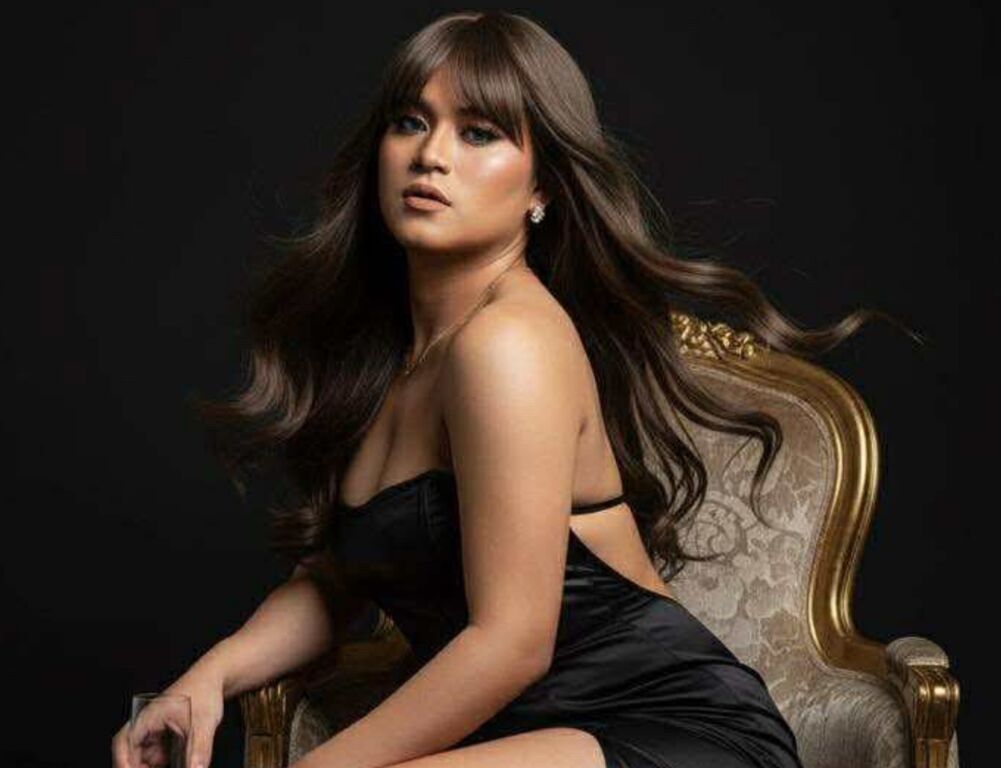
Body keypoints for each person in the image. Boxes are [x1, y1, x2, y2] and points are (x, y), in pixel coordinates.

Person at [113, 10, 920, 768]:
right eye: (410, 122)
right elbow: (334, 583)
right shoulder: (392, 359)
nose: (432, 155)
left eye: (480, 132)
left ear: (542, 189)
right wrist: (206, 678)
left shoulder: (509, 343)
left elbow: (511, 644)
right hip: (539, 738)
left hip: (672, 733)